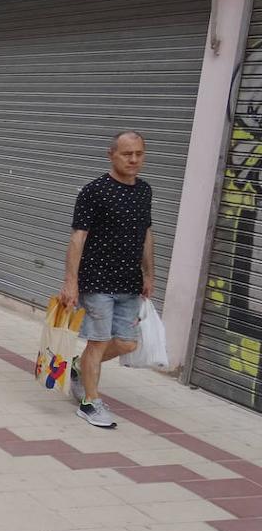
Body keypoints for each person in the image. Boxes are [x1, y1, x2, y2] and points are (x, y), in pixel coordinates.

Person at [58, 131, 154, 428]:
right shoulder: (94, 191)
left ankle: (79, 364)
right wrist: (71, 282)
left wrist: (149, 273)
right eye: (127, 154)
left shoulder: (144, 190)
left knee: (126, 343)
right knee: (98, 343)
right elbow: (77, 238)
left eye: (139, 153)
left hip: (129, 282)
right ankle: (90, 402)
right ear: (111, 154)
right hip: (98, 282)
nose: (134, 159)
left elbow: (146, 232)